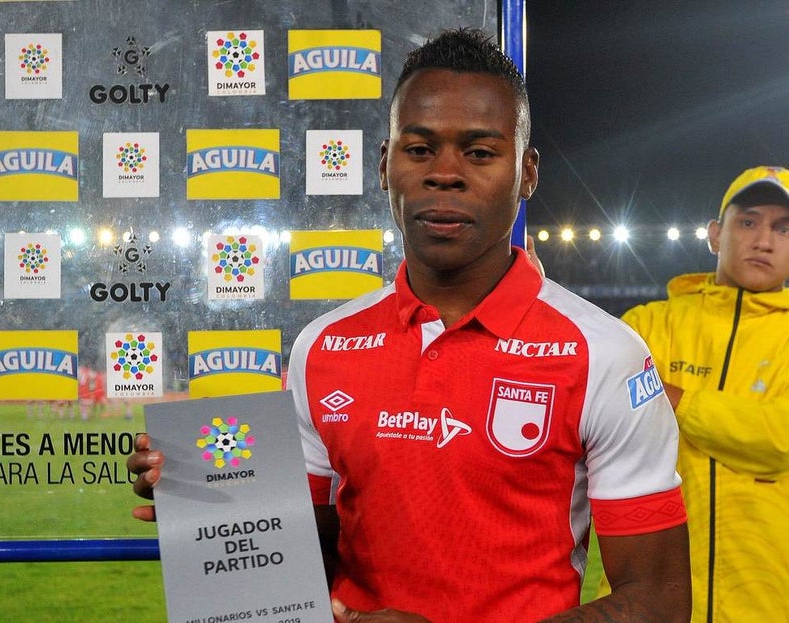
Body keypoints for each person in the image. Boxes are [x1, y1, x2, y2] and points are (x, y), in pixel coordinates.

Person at [129, 28, 691, 622]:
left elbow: (659, 601)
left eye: (480, 153)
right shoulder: (323, 346)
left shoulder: (604, 354)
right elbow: (307, 554)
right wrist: (217, 511)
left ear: (527, 173)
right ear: (384, 165)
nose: (445, 173)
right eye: (419, 149)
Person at [614, 165, 789, 622]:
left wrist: (674, 399)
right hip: (648, 602)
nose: (764, 240)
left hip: (767, 602)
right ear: (715, 234)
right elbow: (590, 404)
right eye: (748, 221)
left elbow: (778, 439)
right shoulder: (647, 323)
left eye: (783, 228)